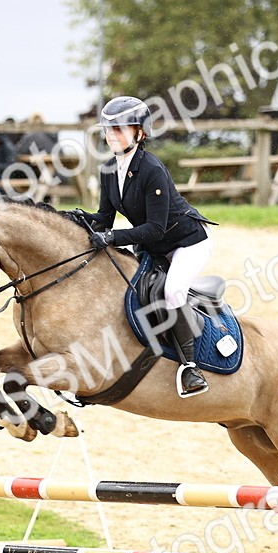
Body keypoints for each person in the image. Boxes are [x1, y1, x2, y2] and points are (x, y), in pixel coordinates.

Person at [78, 95, 216, 398]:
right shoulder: (108, 169)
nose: (111, 135)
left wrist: (111, 238)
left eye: (119, 129)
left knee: (172, 291)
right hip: (153, 246)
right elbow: (104, 218)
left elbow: (156, 228)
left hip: (187, 243)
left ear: (139, 133)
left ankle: (190, 367)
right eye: (108, 129)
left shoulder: (152, 168)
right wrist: (77, 219)